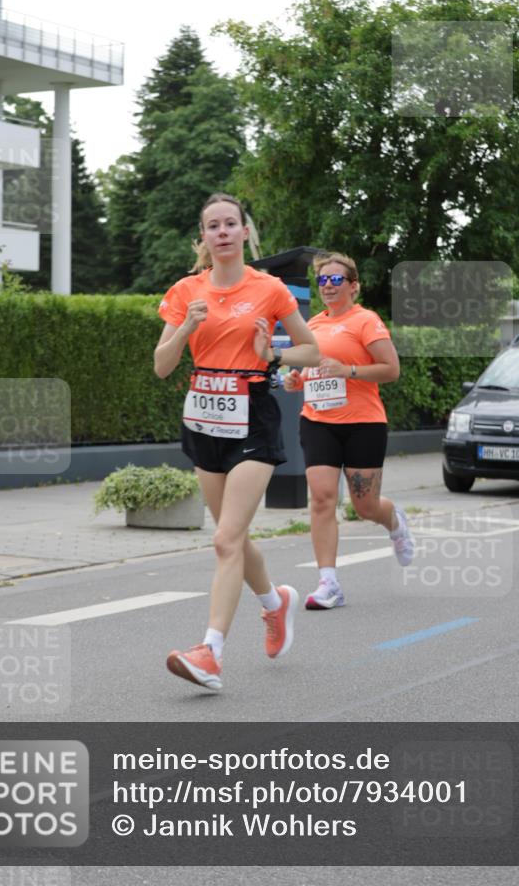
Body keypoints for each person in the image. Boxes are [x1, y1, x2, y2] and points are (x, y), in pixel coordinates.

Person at [154, 192, 320, 689]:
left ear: (245, 232)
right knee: (236, 536)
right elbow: (162, 367)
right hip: (203, 419)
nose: (223, 232)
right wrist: (185, 327)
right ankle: (275, 602)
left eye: (231, 223)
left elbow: (311, 348)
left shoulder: (269, 290)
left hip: (252, 416)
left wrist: (275, 355)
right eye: (213, 226)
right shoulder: (185, 290)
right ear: (203, 238)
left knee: (225, 539)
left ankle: (210, 652)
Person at [283, 252, 415, 609]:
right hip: (318, 421)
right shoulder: (313, 326)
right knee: (323, 499)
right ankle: (329, 583)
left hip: (363, 423)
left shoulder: (366, 321)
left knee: (365, 505)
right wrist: (298, 380)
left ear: (353, 286)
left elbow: (391, 369)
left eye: (335, 279)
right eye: (322, 280)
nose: (327, 285)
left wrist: (349, 371)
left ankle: (395, 522)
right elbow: (311, 369)